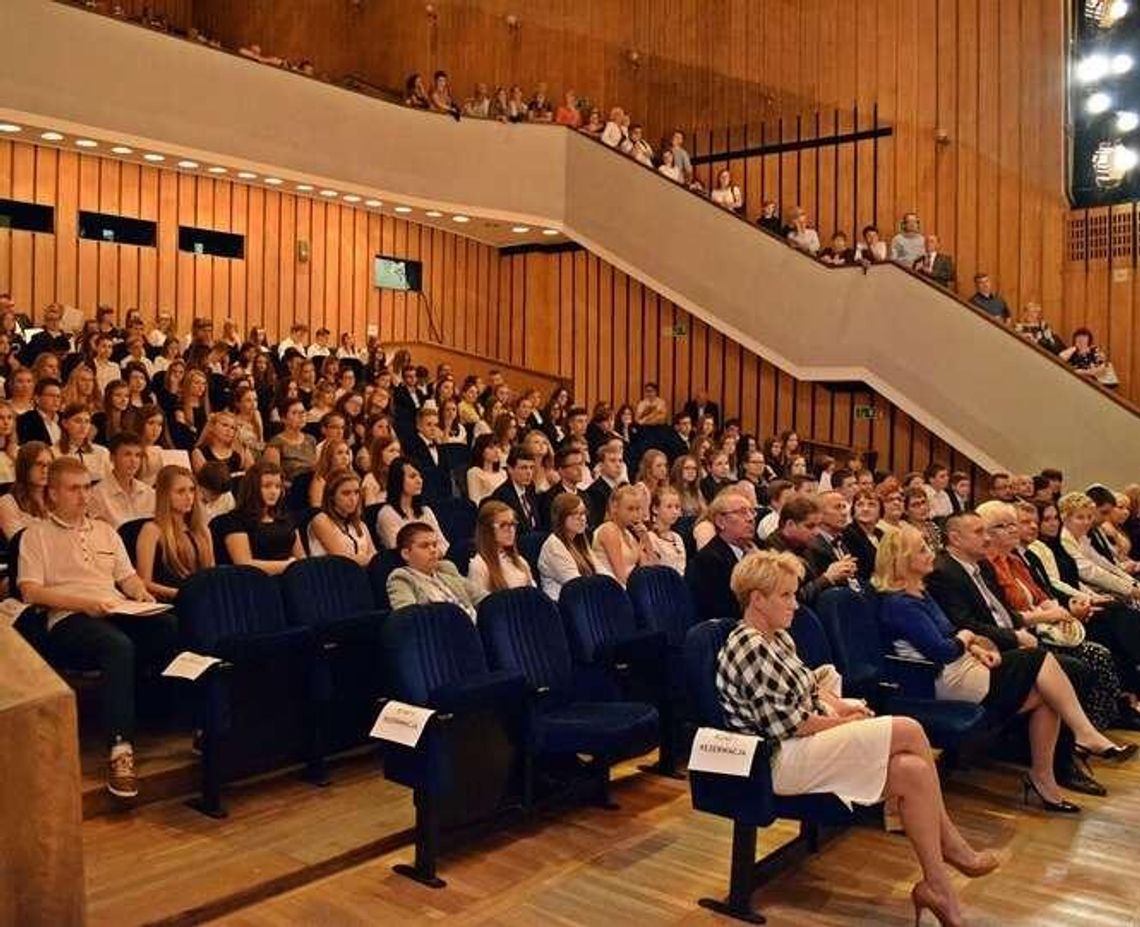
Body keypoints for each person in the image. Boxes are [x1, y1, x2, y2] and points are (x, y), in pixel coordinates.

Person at [719, 549, 994, 927]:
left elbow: (809, 691)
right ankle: (954, 846)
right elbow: (789, 724)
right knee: (910, 729)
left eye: (794, 593)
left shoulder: (776, 637)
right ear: (756, 599)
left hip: (803, 742)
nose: (796, 604)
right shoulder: (748, 644)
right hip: (777, 759)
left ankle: (937, 886)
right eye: (785, 595)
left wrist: (842, 708)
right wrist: (845, 725)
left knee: (912, 771)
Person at [875, 525, 1130, 816]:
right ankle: (1083, 732)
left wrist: (975, 646)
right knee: (1037, 659)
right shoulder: (900, 604)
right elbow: (942, 650)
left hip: (964, 666)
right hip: (942, 680)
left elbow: (950, 634)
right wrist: (968, 637)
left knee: (1049, 696)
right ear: (903, 559)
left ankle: (1044, 777)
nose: (930, 552)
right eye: (922, 549)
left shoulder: (920, 592)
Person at [19, 457, 176, 799]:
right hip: (66, 618)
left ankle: (172, 717)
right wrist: (84, 604)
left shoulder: (105, 530)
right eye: (73, 489)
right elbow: (31, 591)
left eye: (87, 487)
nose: (83, 495)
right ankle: (120, 750)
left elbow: (127, 576)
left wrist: (140, 592)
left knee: (168, 627)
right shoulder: (36, 536)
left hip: (114, 608)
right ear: (53, 493)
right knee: (116, 646)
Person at [979, 501, 1134, 732]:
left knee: (1113, 621)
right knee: (1096, 652)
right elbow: (1008, 613)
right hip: (1030, 633)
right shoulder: (987, 566)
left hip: (1049, 624)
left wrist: (1063, 609)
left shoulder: (1014, 559)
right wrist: (1058, 612)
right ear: (986, 534)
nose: (1015, 530)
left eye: (1014, 524)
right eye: (1005, 526)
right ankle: (1087, 728)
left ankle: (1110, 714)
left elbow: (1042, 593)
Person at [135, 464, 215, 601]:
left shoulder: (202, 530)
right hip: (169, 602)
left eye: (191, 490)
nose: (189, 497)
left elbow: (212, 574)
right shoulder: (152, 530)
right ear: (165, 495)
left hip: (201, 599)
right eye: (180, 491)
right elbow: (144, 582)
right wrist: (181, 593)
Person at [221, 462, 304, 574]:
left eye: (278, 486)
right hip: (256, 582)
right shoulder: (235, 520)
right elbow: (244, 564)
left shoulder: (285, 516)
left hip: (291, 578)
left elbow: (301, 556)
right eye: (267, 486)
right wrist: (288, 566)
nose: (274, 492)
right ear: (253, 488)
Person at [687, 490, 757, 620]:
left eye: (752, 511)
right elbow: (722, 610)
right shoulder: (708, 560)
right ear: (720, 522)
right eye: (742, 512)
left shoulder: (752, 552)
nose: (750, 518)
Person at [386, 521, 475, 620]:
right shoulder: (401, 578)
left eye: (435, 545)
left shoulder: (445, 570)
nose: (433, 550)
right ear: (406, 554)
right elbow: (409, 618)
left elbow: (483, 597)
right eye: (424, 546)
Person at [466, 499, 535, 605]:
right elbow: (483, 609)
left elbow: (535, 594)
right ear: (487, 530)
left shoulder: (520, 561)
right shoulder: (479, 566)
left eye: (513, 524)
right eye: (503, 525)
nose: (511, 530)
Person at [375, 457, 448, 555]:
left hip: (434, 560)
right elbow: (399, 550)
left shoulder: (426, 510)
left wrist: (435, 554)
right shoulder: (387, 514)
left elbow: (443, 543)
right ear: (398, 480)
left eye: (420, 476)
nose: (420, 481)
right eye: (413, 476)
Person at [307, 468, 377, 567]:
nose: (353, 499)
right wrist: (373, 559)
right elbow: (343, 560)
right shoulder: (321, 520)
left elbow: (375, 555)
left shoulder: (361, 525)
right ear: (331, 496)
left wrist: (375, 559)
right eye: (346, 493)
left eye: (356, 492)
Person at [592, 484, 654, 587]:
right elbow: (620, 576)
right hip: (611, 589)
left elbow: (650, 570)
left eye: (638, 509)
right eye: (630, 509)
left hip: (629, 587)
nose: (635, 514)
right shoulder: (609, 530)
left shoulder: (629, 534)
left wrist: (647, 541)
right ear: (615, 508)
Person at [89, 431, 155, 528]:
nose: (133, 461)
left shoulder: (150, 493)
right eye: (127, 454)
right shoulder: (97, 495)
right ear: (112, 458)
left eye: (137, 455)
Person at [537, 492, 596, 601]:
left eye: (583, 513)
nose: (582, 518)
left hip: (582, 601)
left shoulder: (579, 539)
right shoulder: (553, 546)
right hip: (560, 606)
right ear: (560, 517)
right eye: (575, 514)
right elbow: (575, 583)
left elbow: (599, 568)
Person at [0, 440, 50, 540]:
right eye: (38, 464)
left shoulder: (58, 498)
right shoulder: (7, 502)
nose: (45, 470)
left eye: (49, 464)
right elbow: (19, 542)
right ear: (25, 467)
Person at [487, 446, 540, 533]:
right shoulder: (501, 496)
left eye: (531, 467)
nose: (529, 473)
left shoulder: (530, 488)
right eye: (524, 468)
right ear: (510, 469)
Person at [53, 403, 110, 483]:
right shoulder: (54, 452)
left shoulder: (102, 452)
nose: (83, 426)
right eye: (78, 421)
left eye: (87, 421)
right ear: (65, 423)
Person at [264, 398, 317, 483]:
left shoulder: (310, 439)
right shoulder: (276, 444)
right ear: (283, 418)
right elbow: (273, 478)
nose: (301, 416)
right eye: (294, 413)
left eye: (303, 412)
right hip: (290, 489)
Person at [842, 487, 883, 585]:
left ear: (880, 511)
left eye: (871, 505)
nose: (865, 509)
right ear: (853, 510)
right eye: (860, 505)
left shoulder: (881, 534)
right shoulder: (848, 534)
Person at [648, 485, 686, 575]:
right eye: (669, 507)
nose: (675, 512)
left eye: (677, 507)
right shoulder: (650, 537)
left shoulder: (677, 537)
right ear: (655, 509)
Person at [307, 438, 354, 509]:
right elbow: (316, 510)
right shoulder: (320, 481)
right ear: (329, 456)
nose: (345, 457)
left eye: (347, 453)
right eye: (339, 453)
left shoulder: (352, 478)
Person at [16, 377, 62, 445]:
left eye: (58, 396)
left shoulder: (64, 419)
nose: (56, 400)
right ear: (37, 398)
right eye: (51, 396)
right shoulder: (25, 420)